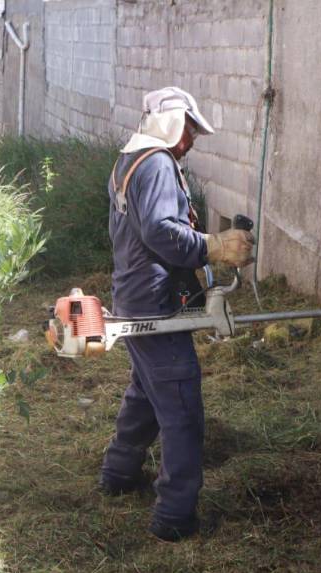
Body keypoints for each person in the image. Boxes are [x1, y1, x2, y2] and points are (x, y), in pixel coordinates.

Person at [98, 87, 255, 541]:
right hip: (157, 302)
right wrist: (215, 245)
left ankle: (118, 475)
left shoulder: (129, 161)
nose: (192, 140)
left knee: (147, 393)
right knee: (182, 408)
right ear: (171, 123)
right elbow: (162, 233)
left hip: (133, 294)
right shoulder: (159, 164)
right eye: (189, 128)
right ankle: (174, 517)